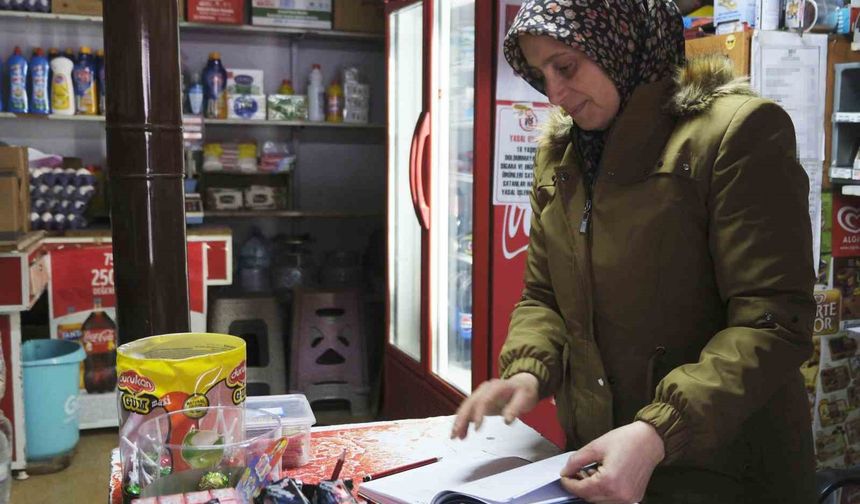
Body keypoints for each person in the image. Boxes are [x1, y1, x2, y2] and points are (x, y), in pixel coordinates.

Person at [451, 2, 816, 503]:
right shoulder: (562, 155)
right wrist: (528, 370)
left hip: (722, 471)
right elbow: (544, 295)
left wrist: (658, 432)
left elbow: (772, 322)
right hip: (601, 460)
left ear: (618, 38)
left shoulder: (736, 135)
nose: (554, 94)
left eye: (565, 66)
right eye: (541, 74)